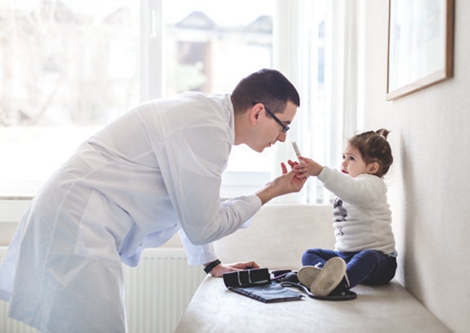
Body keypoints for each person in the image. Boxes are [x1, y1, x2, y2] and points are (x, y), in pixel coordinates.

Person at [0, 69, 305, 333]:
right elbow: (203, 226)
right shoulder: (207, 130)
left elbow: (188, 203)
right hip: (77, 221)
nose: (281, 138)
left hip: (77, 217)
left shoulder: (209, 119)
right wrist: (270, 191)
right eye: (284, 126)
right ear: (258, 112)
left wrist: (211, 263)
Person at [292, 129, 396, 297]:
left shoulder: (373, 184)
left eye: (351, 158)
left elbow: (352, 190)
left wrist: (320, 171)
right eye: (343, 157)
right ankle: (323, 277)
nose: (344, 163)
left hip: (381, 263)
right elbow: (346, 188)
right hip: (346, 256)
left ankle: (338, 283)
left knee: (369, 256)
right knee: (310, 254)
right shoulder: (353, 184)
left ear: (372, 167)